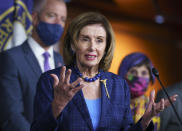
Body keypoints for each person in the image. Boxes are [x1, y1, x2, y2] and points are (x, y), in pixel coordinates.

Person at [31, 12, 177, 131]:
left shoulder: (119, 85)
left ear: (106, 47)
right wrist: (57, 106)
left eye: (99, 40)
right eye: (85, 39)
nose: (92, 47)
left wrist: (145, 121)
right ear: (73, 44)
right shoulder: (51, 80)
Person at [0, 0, 67, 130]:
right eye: (52, 15)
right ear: (35, 18)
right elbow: (11, 117)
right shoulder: (11, 59)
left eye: (63, 19)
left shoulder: (62, 62)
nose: (58, 23)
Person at [118, 52, 160, 131]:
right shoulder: (113, 102)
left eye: (144, 73)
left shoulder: (153, 107)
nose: (138, 76)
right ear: (124, 73)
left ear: (151, 77)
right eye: (133, 72)